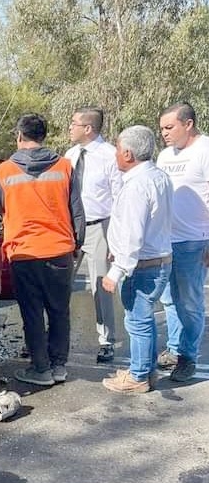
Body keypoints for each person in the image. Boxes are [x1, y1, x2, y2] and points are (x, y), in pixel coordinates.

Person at [0, 113, 85, 386]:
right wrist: (77, 245)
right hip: (59, 250)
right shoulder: (64, 167)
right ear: (43, 137)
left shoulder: (4, 171)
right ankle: (59, 366)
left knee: (32, 312)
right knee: (59, 310)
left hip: (24, 252)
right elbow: (77, 213)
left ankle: (41, 369)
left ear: (19, 136)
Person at [101, 126, 173, 394]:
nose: (116, 155)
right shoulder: (158, 177)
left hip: (141, 266)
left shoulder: (137, 186)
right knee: (145, 320)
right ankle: (145, 368)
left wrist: (116, 272)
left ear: (128, 153)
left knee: (137, 321)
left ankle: (139, 376)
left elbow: (133, 235)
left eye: (118, 150)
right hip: (158, 260)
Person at [155, 101, 209, 382]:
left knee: (189, 301)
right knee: (169, 300)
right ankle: (175, 349)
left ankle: (187, 357)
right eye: (162, 128)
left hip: (195, 240)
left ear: (188, 124)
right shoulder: (164, 156)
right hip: (166, 241)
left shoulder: (205, 150)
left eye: (169, 127)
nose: (164, 133)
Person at [65, 107, 123, 363]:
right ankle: (55, 337)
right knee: (60, 285)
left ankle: (106, 340)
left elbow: (120, 198)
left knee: (101, 286)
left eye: (74, 123)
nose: (70, 127)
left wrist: (116, 238)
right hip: (69, 228)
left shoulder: (111, 155)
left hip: (99, 227)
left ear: (88, 128)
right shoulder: (70, 155)